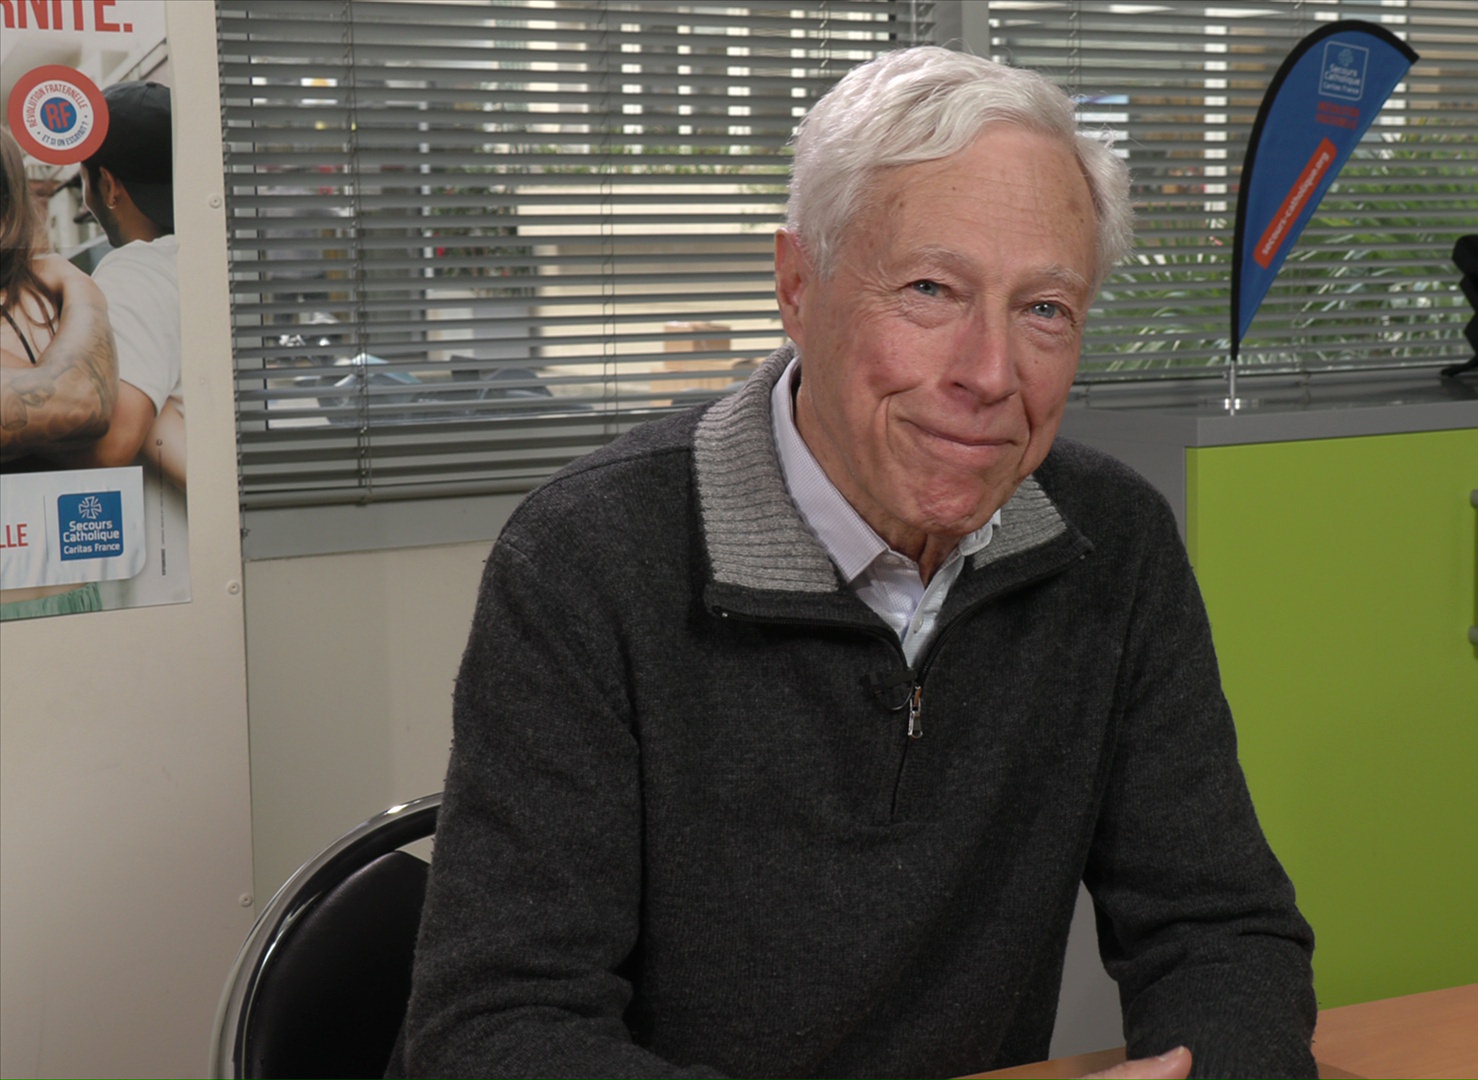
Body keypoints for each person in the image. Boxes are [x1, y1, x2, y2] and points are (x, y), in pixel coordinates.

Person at [401, 47, 1316, 1080]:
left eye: (1044, 309)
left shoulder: (1111, 540)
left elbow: (1222, 931)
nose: (990, 373)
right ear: (798, 287)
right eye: (930, 289)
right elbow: (492, 1033)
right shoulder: (588, 557)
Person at [67, 80, 189, 607]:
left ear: (109, 185)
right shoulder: (210, 261)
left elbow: (113, 441)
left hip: (170, 588)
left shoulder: (135, 273)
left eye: (84, 179)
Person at [1, 129, 120, 619]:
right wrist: (80, 286)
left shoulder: (41, 301)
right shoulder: (54, 297)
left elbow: (86, 413)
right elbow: (80, 401)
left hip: (61, 600)